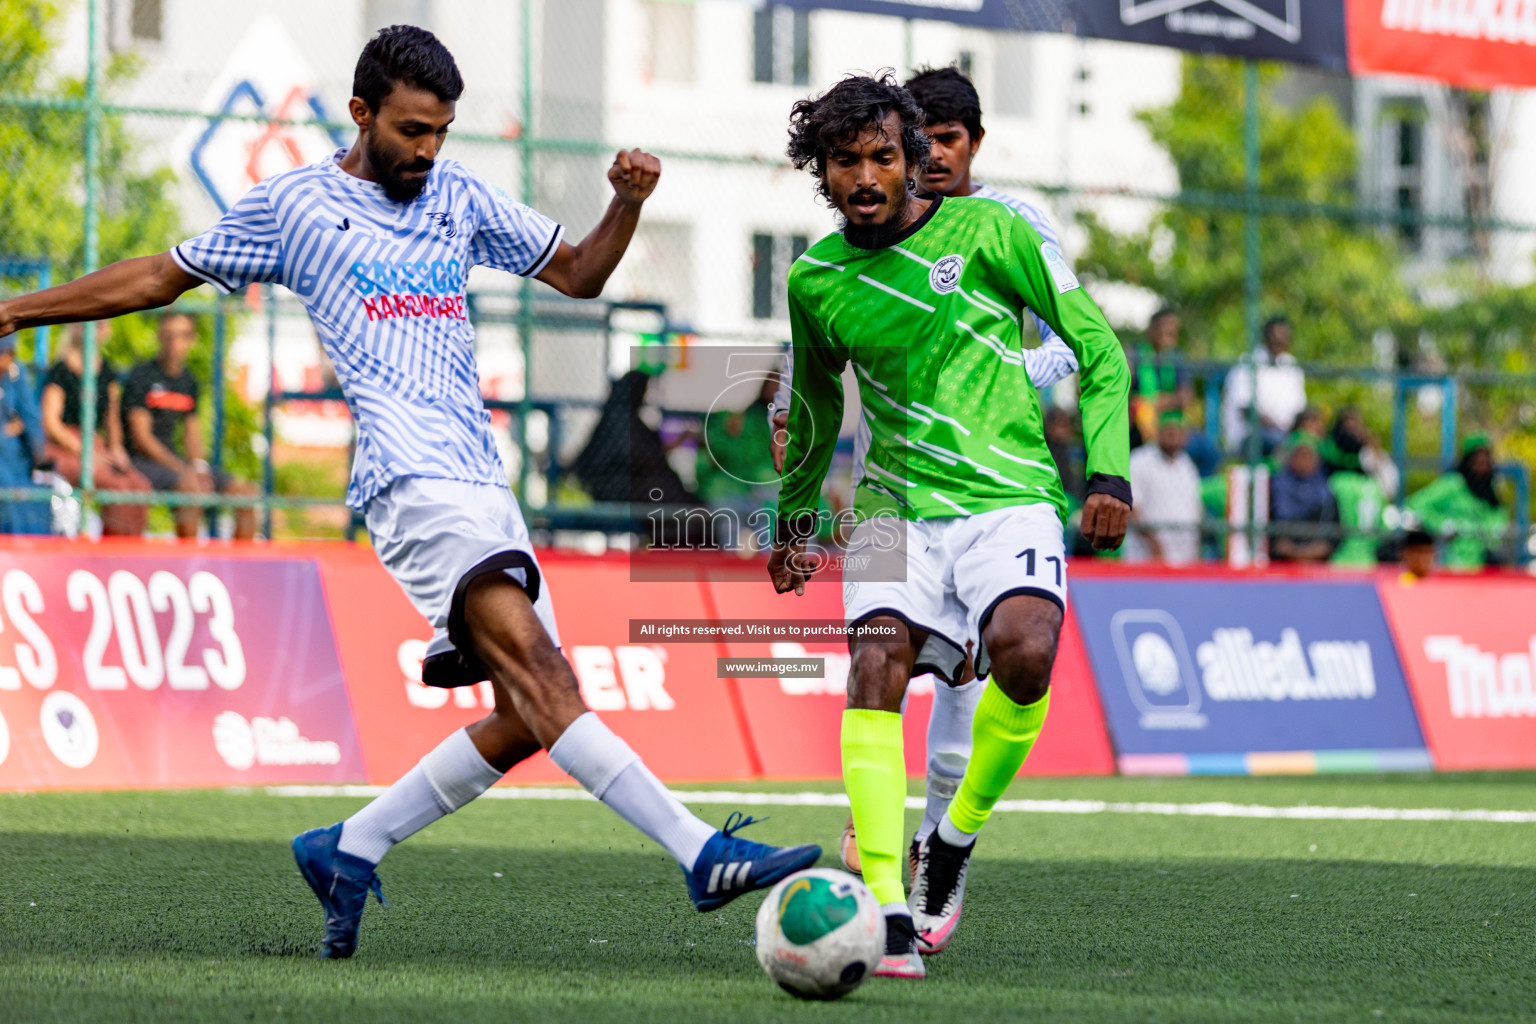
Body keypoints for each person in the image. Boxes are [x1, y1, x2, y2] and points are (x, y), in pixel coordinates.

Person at [0, 26, 817, 960]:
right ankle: (698, 852)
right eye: (412, 130)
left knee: (524, 715)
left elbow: (580, 276)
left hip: (483, 484)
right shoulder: (297, 207)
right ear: (361, 114)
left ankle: (351, 845)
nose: (428, 151)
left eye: (442, 131)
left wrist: (625, 206)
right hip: (409, 482)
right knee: (547, 680)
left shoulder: (458, 195)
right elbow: (160, 275)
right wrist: (17, 310)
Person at [769, 73, 1130, 977]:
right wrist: (795, 519)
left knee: (1025, 650)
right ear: (821, 171)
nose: (864, 175)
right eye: (843, 161)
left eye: (882, 157)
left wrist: (1110, 467)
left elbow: (1097, 347)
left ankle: (955, 837)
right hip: (893, 506)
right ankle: (889, 906)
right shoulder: (816, 279)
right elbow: (813, 405)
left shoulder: (993, 232)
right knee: (873, 667)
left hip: (1007, 497)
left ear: (912, 160)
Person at [121, 311, 259, 540]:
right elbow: (142, 439)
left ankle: (238, 569)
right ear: (159, 336)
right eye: (169, 335)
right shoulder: (141, 376)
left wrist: (199, 467)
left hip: (176, 463)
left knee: (246, 493)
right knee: (189, 489)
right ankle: (191, 565)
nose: (175, 343)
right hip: (141, 462)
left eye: (182, 335)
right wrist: (183, 470)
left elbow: (192, 433)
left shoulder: (189, 381)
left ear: (191, 340)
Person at [40, 321, 151, 536]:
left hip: (94, 443)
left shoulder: (106, 371)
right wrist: (85, 451)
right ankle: (111, 549)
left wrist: (116, 448)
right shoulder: (62, 370)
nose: (101, 328)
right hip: (66, 444)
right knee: (115, 487)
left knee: (139, 485)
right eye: (95, 324)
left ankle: (131, 547)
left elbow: (112, 419)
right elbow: (51, 423)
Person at [1405, 435, 1510, 570]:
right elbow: (1416, 505)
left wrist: (1493, 532)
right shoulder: (1453, 484)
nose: (1483, 464)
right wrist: (1443, 524)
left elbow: (1498, 520)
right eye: (1478, 458)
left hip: (1483, 567)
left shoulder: (1490, 490)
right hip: (1451, 564)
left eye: (1486, 459)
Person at [1222, 315, 1307, 458]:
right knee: (1281, 442)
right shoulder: (1247, 363)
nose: (1280, 341)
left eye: (1285, 337)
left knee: (1312, 444)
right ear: (1265, 337)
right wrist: (1278, 426)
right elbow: (1245, 410)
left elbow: (1300, 410)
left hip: (1288, 433)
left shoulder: (1291, 365)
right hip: (1252, 434)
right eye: (1276, 337)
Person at [1124, 410, 1201, 565]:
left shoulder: (1187, 466)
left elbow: (1195, 511)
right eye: (1168, 428)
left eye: (1177, 429)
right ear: (1157, 431)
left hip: (1185, 558)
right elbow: (1132, 507)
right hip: (1146, 558)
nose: (1173, 433)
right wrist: (1154, 545)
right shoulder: (1140, 460)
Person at [0, 336, 51, 534]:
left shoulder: (15, 372)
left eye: (11, 353)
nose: (8, 358)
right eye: (5, 353)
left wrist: (38, 453)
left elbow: (30, 417)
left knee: (38, 486)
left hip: (15, 454)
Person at [1269, 434, 1338, 562]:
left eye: (1308, 455)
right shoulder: (1276, 488)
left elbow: (1333, 535)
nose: (1303, 460)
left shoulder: (1326, 493)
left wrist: (1311, 552)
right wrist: (1291, 552)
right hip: (1281, 564)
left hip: (1318, 565)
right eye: (1299, 454)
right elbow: (1274, 537)